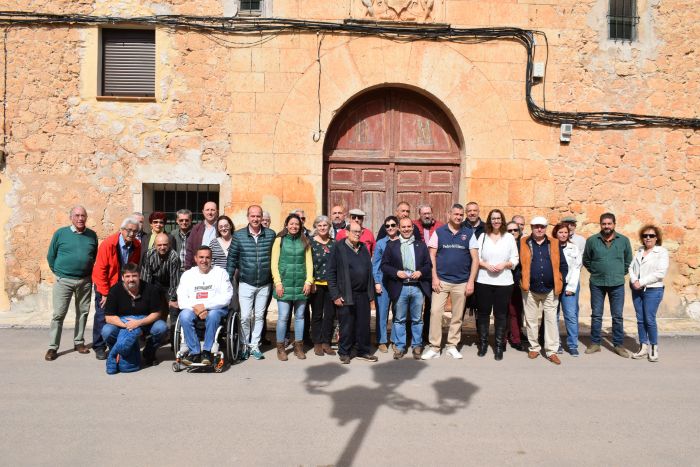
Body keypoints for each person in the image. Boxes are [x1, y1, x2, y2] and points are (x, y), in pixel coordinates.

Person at [421, 204, 478, 360]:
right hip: (441, 281)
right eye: (456, 214)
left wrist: (471, 281)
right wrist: (434, 277)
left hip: (461, 282)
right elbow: (431, 256)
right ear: (449, 214)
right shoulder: (439, 232)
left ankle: (452, 346)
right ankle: (434, 347)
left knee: (457, 316)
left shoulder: (469, 233)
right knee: (435, 312)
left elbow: (475, 259)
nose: (458, 217)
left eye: (461, 215)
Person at [45, 206, 98, 361]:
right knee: (58, 314)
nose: (80, 218)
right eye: (77, 215)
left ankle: (79, 342)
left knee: (83, 312)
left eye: (83, 215)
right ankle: (53, 347)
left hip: (85, 280)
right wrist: (60, 273)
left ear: (86, 217)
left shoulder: (92, 235)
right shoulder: (60, 233)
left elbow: (93, 256)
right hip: (64, 281)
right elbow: (51, 256)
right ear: (71, 217)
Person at [227, 205, 276, 360]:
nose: (255, 219)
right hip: (246, 282)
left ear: (262, 217)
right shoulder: (239, 235)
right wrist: (228, 280)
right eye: (252, 216)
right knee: (245, 316)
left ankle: (254, 345)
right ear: (248, 217)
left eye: (258, 216)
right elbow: (232, 259)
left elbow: (275, 258)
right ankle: (243, 345)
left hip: (264, 282)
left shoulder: (270, 234)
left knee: (260, 316)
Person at [582, 212, 633, 357]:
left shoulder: (623, 240)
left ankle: (618, 345)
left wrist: (618, 272)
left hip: (617, 283)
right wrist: (597, 271)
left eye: (609, 223)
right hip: (597, 283)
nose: (606, 226)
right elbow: (586, 259)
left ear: (614, 224)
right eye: (604, 224)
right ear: (600, 225)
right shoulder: (592, 240)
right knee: (596, 315)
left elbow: (628, 260)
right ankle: (595, 343)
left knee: (617, 316)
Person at [471, 209, 519, 361]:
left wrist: (506, 264)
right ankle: (483, 344)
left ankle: (498, 346)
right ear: (489, 220)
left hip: (504, 282)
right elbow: (476, 257)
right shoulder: (483, 237)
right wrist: (485, 264)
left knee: (500, 315)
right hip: (484, 280)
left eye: (498, 218)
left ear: (502, 220)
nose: (496, 221)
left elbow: (515, 258)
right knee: (484, 314)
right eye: (493, 218)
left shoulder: (509, 238)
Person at [91, 216, 142, 360]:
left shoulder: (136, 245)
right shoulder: (108, 244)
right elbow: (100, 270)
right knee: (102, 314)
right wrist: (105, 293)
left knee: (121, 314)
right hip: (105, 283)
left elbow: (133, 267)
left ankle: (117, 343)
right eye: (129, 230)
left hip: (123, 285)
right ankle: (99, 346)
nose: (131, 234)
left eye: (135, 231)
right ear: (122, 230)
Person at [381, 217, 432, 360]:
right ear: (399, 228)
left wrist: (421, 272)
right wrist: (397, 272)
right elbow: (384, 266)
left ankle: (417, 345)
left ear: (412, 227)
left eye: (409, 226)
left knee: (417, 319)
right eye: (403, 227)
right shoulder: (392, 246)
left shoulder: (420, 245)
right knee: (399, 319)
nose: (406, 229)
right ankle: (400, 346)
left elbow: (428, 265)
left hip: (417, 287)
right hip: (401, 287)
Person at [327, 223, 377, 364]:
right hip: (346, 293)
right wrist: (335, 294)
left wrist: (370, 293)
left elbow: (368, 270)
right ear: (346, 232)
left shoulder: (363, 248)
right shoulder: (338, 247)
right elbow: (331, 272)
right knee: (347, 325)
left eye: (359, 232)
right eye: (354, 231)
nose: (357, 234)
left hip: (362, 294)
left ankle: (363, 351)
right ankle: (344, 352)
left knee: (363, 325)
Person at [102, 263, 167, 367]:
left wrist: (138, 323)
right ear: (122, 277)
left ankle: (149, 353)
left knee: (161, 327)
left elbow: (157, 313)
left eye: (134, 276)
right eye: (127, 276)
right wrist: (127, 325)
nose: (131, 279)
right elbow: (109, 317)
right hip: (122, 323)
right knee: (106, 330)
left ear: (139, 276)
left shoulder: (150, 289)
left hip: (144, 322)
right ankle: (117, 352)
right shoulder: (115, 290)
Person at [519, 217, 566, 365]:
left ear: (546, 228)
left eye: (542, 227)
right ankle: (534, 347)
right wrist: (520, 279)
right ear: (531, 227)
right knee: (531, 320)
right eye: (536, 226)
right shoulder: (523, 242)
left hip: (550, 289)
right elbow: (518, 264)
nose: (539, 229)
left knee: (551, 320)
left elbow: (563, 265)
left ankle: (551, 351)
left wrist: (560, 279)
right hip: (530, 288)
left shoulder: (554, 243)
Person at [176, 246, 234, 365]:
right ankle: (195, 352)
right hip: (193, 308)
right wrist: (197, 309)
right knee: (184, 316)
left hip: (216, 309)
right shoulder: (188, 275)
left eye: (207, 257)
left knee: (213, 315)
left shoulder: (221, 273)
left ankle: (207, 351)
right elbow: (181, 299)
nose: (204, 260)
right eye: (201, 257)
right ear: (195, 259)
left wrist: (205, 306)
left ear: (211, 259)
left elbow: (226, 297)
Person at [272, 214, 313, 361]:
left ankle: (299, 347)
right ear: (286, 225)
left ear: (300, 226)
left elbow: (309, 263)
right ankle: (281, 348)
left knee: (300, 317)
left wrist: (308, 281)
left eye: (296, 224)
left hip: (301, 285)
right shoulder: (279, 240)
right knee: (283, 317)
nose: (294, 226)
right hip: (284, 285)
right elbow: (274, 263)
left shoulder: (305, 241)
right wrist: (278, 283)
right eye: (291, 224)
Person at [629, 225, 669, 362]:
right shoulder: (640, 250)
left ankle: (653, 348)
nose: (648, 238)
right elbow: (631, 267)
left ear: (656, 238)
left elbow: (660, 272)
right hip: (637, 289)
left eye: (651, 236)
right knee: (640, 319)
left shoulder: (661, 252)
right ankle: (643, 347)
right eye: (645, 235)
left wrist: (642, 282)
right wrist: (634, 280)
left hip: (653, 289)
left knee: (649, 319)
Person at [140, 232, 181, 343]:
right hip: (154, 283)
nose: (162, 247)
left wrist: (172, 299)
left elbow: (175, 280)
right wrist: (146, 296)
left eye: (165, 245)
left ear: (169, 245)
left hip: (169, 284)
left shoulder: (174, 257)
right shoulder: (148, 255)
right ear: (154, 245)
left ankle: (174, 339)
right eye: (159, 245)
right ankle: (146, 334)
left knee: (174, 309)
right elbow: (145, 278)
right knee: (149, 307)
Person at [413, 204, 444, 344]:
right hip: (417, 272)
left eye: (429, 213)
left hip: (435, 272)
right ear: (419, 214)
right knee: (415, 305)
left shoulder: (440, 227)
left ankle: (428, 335)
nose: (427, 215)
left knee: (432, 306)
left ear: (432, 213)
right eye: (424, 213)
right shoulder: (413, 226)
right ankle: (413, 336)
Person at [309, 216, 337, 356]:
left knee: (330, 314)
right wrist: (311, 281)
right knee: (317, 314)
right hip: (316, 284)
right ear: (316, 227)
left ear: (329, 227)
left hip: (331, 284)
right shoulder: (311, 243)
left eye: (325, 225)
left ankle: (326, 342)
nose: (322, 228)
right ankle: (317, 342)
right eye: (319, 225)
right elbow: (308, 263)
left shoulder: (334, 244)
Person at [372, 215, 399, 353]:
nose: (390, 228)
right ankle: (382, 340)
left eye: (393, 225)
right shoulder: (381, 243)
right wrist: (376, 282)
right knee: (382, 313)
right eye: (387, 226)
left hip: (399, 283)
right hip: (383, 281)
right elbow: (375, 264)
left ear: (398, 226)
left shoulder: (403, 242)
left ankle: (395, 340)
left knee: (397, 312)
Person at [554, 223, 582, 356]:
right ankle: (556, 343)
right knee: (553, 316)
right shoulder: (551, 247)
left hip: (569, 285)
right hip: (554, 285)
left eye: (565, 232)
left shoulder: (574, 248)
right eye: (560, 232)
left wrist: (571, 287)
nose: (563, 235)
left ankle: (572, 344)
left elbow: (577, 268)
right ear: (556, 234)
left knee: (570, 315)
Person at [505, 221, 526, 351]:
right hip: (502, 281)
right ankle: (503, 337)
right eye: (509, 231)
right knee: (502, 311)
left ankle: (516, 338)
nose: (513, 233)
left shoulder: (524, 245)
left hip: (517, 281)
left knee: (515, 311)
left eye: (515, 230)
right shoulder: (502, 244)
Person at [184, 201, 219, 269]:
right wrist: (188, 268)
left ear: (217, 212)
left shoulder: (221, 228)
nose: (210, 213)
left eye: (212, 210)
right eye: (207, 210)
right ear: (203, 212)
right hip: (199, 268)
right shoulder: (196, 229)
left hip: (217, 268)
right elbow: (189, 250)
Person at [172, 209, 193, 274]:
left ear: (190, 221)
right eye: (181, 220)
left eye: (186, 220)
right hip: (176, 271)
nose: (184, 222)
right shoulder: (173, 234)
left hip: (191, 270)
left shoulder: (195, 233)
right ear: (177, 221)